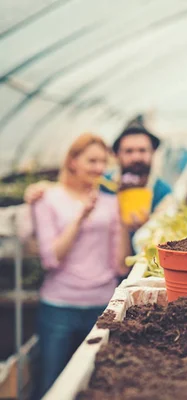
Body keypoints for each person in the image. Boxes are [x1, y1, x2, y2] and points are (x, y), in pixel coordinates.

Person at [33, 133, 128, 398]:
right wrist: (81, 216)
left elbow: (119, 265)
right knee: (52, 383)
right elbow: (51, 258)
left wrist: (121, 218)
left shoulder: (110, 202)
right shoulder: (47, 198)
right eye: (92, 160)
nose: (99, 168)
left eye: (103, 162)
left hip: (103, 307)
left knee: (98, 386)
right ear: (73, 161)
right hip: (59, 307)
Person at [24, 124, 175, 256]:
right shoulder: (104, 182)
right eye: (129, 151)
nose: (136, 157)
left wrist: (147, 228)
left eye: (142, 150)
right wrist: (42, 188)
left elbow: (167, 234)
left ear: (153, 152)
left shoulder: (164, 193)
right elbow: (75, 187)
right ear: (116, 154)